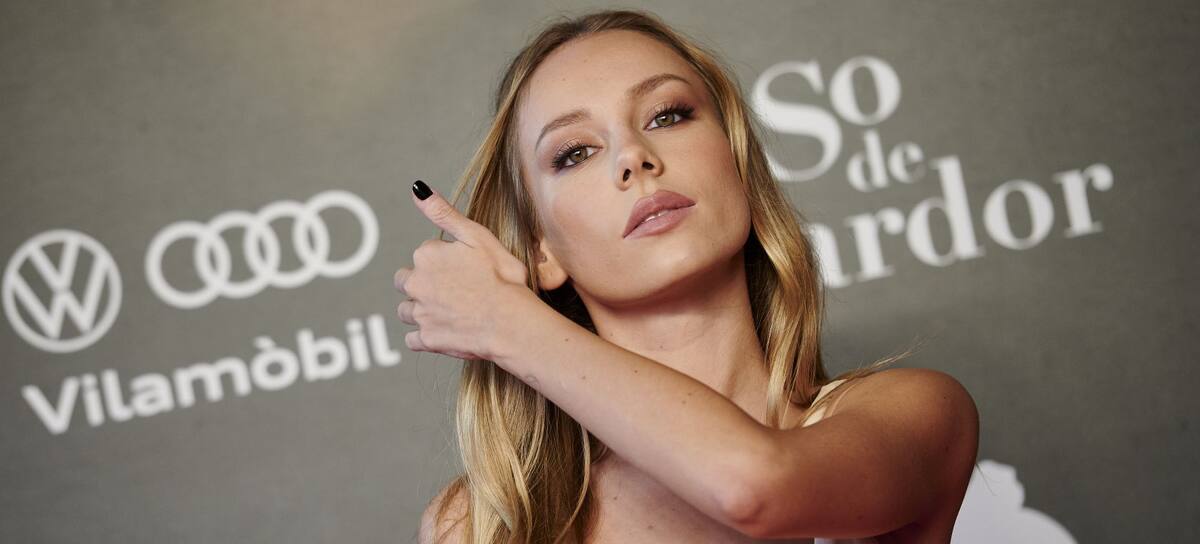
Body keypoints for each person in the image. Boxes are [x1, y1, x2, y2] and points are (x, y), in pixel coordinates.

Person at [395, 9, 979, 544]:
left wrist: (508, 325)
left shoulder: (917, 413)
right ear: (541, 251)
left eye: (667, 115)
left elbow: (753, 489)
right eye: (575, 152)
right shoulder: (482, 524)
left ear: (737, 164)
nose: (633, 156)